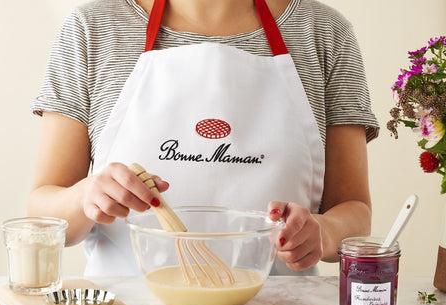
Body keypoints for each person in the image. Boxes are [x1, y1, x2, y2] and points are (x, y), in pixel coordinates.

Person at [29, 0, 379, 277]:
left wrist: (323, 232)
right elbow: (43, 210)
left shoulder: (324, 33)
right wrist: (86, 196)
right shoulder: (91, 29)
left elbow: (354, 210)